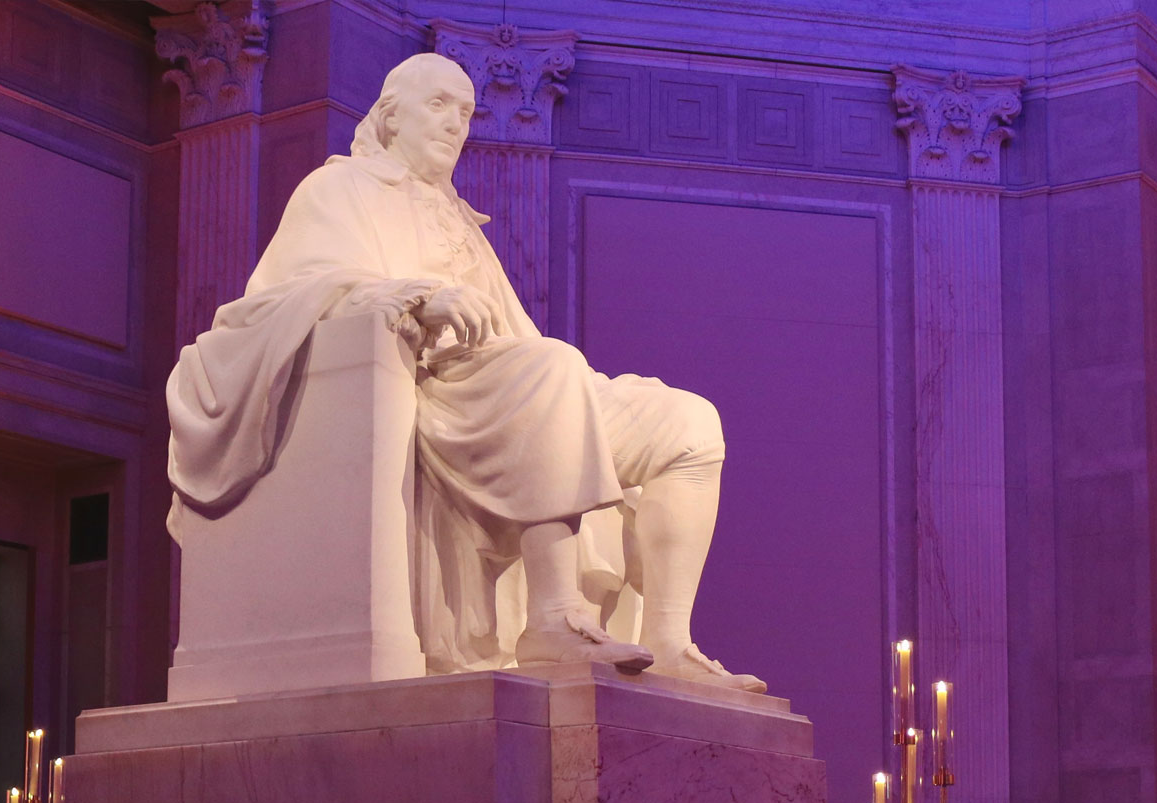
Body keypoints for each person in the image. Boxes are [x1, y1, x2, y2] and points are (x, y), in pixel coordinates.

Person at [166, 52, 762, 690]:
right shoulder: (339, 188)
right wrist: (415, 294)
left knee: (689, 424)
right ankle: (553, 619)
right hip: (438, 386)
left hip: (513, 385)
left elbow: (515, 335)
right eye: (440, 104)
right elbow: (283, 296)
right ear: (391, 117)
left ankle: (669, 641)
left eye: (467, 111)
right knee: (553, 369)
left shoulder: (457, 217)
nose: (457, 123)